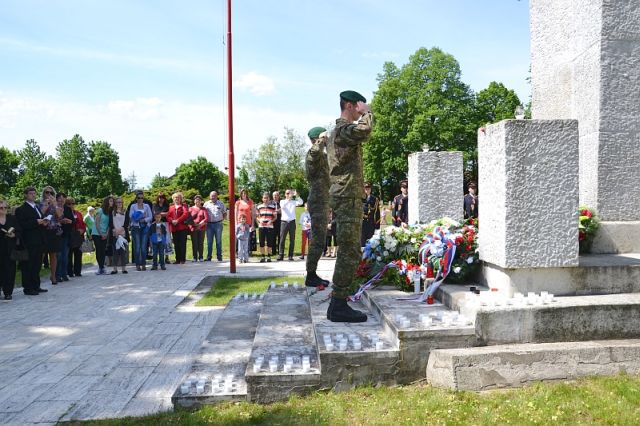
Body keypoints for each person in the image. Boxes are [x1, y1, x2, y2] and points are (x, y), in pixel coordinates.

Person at [325, 90, 373, 323]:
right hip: (347, 196)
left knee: (349, 249)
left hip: (346, 195)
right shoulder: (343, 130)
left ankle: (339, 300)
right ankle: (338, 304)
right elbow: (364, 131)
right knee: (349, 250)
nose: (361, 109)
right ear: (351, 106)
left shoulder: (340, 131)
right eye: (359, 106)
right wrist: (368, 113)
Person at [304, 126, 331, 288]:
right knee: (318, 240)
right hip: (318, 201)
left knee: (321, 239)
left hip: (324, 201)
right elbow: (315, 152)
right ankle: (311, 275)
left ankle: (312, 274)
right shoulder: (313, 154)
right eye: (323, 138)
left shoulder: (324, 156)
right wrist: (321, 140)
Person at [15, 187, 48, 295]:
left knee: (37, 265)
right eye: (30, 193)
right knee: (28, 265)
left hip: (39, 240)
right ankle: (28, 288)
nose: (33, 195)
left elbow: (39, 219)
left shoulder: (36, 207)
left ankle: (36, 285)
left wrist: (44, 222)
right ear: (25, 195)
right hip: (29, 241)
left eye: (34, 193)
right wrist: (36, 222)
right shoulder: (21, 209)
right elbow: (22, 225)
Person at [40, 186, 62, 285]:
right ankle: (36, 276)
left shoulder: (56, 204)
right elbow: (40, 214)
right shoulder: (39, 204)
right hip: (43, 231)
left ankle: (53, 276)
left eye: (51, 193)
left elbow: (59, 215)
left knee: (53, 255)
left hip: (54, 231)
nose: (49, 194)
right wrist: (46, 204)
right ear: (43, 194)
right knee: (41, 254)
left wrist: (54, 204)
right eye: (47, 192)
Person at [0, 199, 19, 300]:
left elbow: (19, 230)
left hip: (10, 248)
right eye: (1, 208)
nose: (4, 209)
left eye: (5, 207)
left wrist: (14, 235)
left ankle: (8, 292)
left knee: (10, 270)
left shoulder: (12, 218)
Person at [277, 189, 303, 261]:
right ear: (285, 194)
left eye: (290, 193)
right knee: (282, 239)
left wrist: (296, 195)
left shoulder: (293, 202)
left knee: (292, 239)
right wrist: (289, 199)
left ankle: (290, 255)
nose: (288, 194)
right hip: (284, 222)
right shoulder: (282, 201)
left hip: (292, 222)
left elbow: (301, 202)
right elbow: (283, 206)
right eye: (287, 193)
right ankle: (281, 255)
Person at [129, 191, 152, 271]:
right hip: (135, 228)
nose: (140, 199)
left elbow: (150, 217)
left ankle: (143, 264)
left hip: (145, 228)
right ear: (136, 198)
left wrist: (144, 219)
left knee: (143, 247)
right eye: (139, 198)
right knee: (137, 247)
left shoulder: (147, 206)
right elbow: (131, 216)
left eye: (142, 198)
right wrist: (139, 217)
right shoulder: (133, 206)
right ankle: (137, 264)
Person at [55, 192, 74, 283]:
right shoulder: (54, 208)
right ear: (56, 200)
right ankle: (57, 275)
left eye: (63, 200)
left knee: (65, 256)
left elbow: (73, 221)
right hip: (57, 235)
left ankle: (64, 274)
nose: (61, 201)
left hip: (66, 235)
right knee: (58, 256)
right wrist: (60, 221)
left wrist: (69, 221)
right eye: (60, 200)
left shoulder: (67, 208)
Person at [167, 192, 190, 264]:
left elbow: (185, 214)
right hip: (174, 228)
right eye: (175, 197)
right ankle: (177, 259)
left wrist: (177, 220)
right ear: (173, 199)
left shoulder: (184, 205)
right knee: (176, 244)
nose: (176, 199)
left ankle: (182, 259)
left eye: (178, 197)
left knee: (182, 244)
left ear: (181, 199)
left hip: (182, 228)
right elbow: (168, 216)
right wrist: (172, 221)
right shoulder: (171, 207)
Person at [204, 191, 226, 262]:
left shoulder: (221, 203)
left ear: (217, 196)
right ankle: (209, 257)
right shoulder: (206, 204)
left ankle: (219, 256)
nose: (213, 197)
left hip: (218, 224)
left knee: (218, 241)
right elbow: (203, 213)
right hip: (209, 225)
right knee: (209, 242)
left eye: (214, 196)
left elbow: (224, 213)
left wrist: (222, 220)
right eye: (211, 196)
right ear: (209, 196)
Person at [92, 196, 112, 275]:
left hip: (104, 233)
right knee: (99, 250)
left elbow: (109, 225)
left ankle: (102, 267)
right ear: (107, 202)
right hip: (97, 233)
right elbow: (97, 223)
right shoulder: (100, 210)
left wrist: (106, 234)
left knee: (103, 251)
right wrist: (101, 234)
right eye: (110, 201)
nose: (112, 203)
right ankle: (101, 268)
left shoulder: (110, 212)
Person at [255, 192, 277, 263]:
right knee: (261, 242)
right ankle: (262, 257)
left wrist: (271, 221)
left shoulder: (273, 207)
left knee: (269, 242)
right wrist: (259, 221)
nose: (266, 199)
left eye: (267, 198)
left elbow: (275, 217)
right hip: (261, 226)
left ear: (269, 199)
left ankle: (269, 256)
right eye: (264, 198)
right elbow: (256, 217)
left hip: (269, 226)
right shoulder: (259, 207)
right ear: (262, 199)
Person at [67, 197, 86, 277]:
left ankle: (77, 271)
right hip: (70, 236)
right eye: (69, 204)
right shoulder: (65, 213)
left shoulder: (78, 213)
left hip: (78, 236)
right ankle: (69, 272)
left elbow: (83, 224)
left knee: (78, 254)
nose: (71, 205)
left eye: (73, 203)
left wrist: (83, 230)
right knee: (69, 255)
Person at [110, 197, 128, 274]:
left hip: (123, 234)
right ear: (115, 203)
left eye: (121, 202)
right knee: (115, 252)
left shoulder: (125, 211)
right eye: (118, 202)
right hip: (115, 234)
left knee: (123, 251)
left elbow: (127, 222)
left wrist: (121, 229)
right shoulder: (112, 212)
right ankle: (115, 269)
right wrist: (114, 230)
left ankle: (124, 268)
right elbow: (110, 222)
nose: (119, 203)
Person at [189, 195, 208, 262]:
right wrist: (194, 224)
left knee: (200, 243)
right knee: (194, 243)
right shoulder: (190, 209)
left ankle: (201, 257)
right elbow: (188, 218)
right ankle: (194, 257)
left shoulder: (204, 209)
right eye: (196, 199)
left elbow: (206, 218)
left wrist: (199, 225)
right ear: (194, 201)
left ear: (201, 201)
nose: (198, 201)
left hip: (201, 228)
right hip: (193, 228)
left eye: (199, 200)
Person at [153, 192, 170, 263]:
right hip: (157, 224)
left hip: (165, 223)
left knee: (166, 239)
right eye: (160, 197)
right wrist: (163, 214)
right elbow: (155, 213)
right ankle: (158, 257)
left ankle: (167, 257)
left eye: (162, 197)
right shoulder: (155, 205)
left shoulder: (167, 205)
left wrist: (160, 213)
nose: (161, 199)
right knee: (158, 239)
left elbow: (168, 213)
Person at [361, 182, 381, 247]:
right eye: (365, 188)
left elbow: (377, 213)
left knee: (370, 242)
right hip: (362, 223)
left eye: (368, 188)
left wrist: (377, 227)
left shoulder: (375, 199)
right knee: (362, 241)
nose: (367, 190)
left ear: (371, 189)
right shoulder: (360, 198)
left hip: (371, 223)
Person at [271, 191, 281, 256]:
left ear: (278, 196)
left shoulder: (281, 203)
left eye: (276, 195)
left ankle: (280, 251)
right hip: (272, 222)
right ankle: (273, 251)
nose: (275, 196)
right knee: (273, 237)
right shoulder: (270, 203)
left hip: (280, 221)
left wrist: (279, 211)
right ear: (272, 196)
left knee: (280, 237)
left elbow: (283, 211)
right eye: (274, 195)